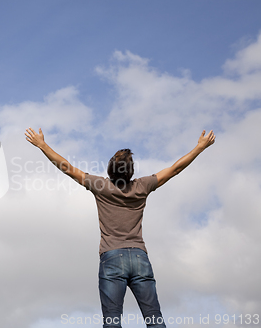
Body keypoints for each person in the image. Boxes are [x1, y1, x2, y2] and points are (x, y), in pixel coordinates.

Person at [25, 127, 215, 328]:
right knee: (154, 319)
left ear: (109, 169)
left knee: (112, 322)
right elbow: (175, 169)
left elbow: (68, 168)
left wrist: (42, 145)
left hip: (112, 257)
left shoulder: (101, 186)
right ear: (131, 171)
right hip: (140, 257)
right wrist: (199, 148)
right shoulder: (143, 186)